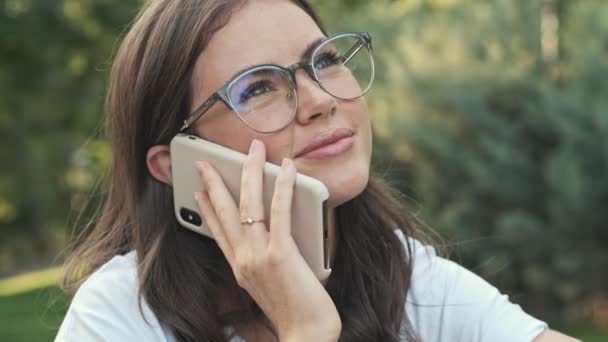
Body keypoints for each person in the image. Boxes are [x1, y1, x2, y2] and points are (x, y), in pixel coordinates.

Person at [54, 0, 579, 341]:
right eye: (258, 87)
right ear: (179, 164)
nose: (319, 99)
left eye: (324, 61)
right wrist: (305, 328)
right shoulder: (118, 317)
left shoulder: (404, 278)